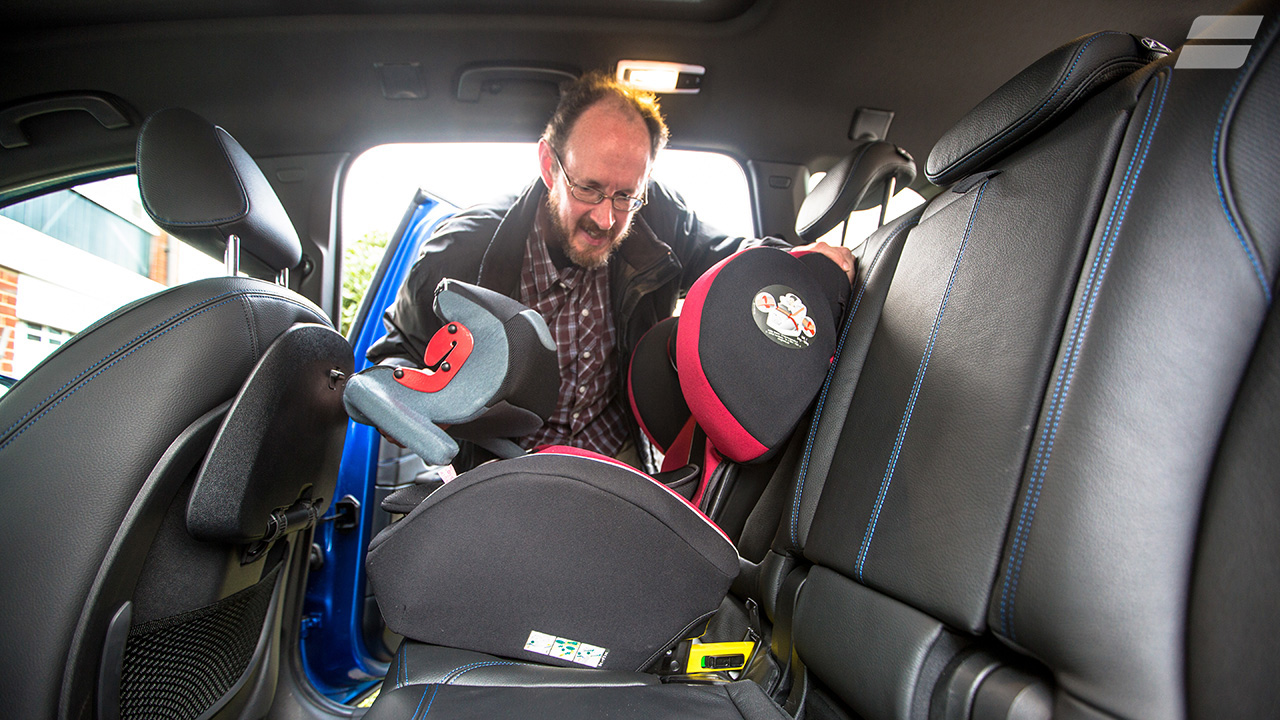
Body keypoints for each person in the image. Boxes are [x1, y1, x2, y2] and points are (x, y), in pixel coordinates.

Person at [367, 69, 854, 468]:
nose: (606, 217)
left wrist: (801, 264)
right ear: (548, 164)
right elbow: (392, 360)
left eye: (626, 195)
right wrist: (430, 399)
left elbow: (728, 255)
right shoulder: (462, 251)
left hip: (620, 461)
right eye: (589, 188)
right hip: (505, 467)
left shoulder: (657, 216)